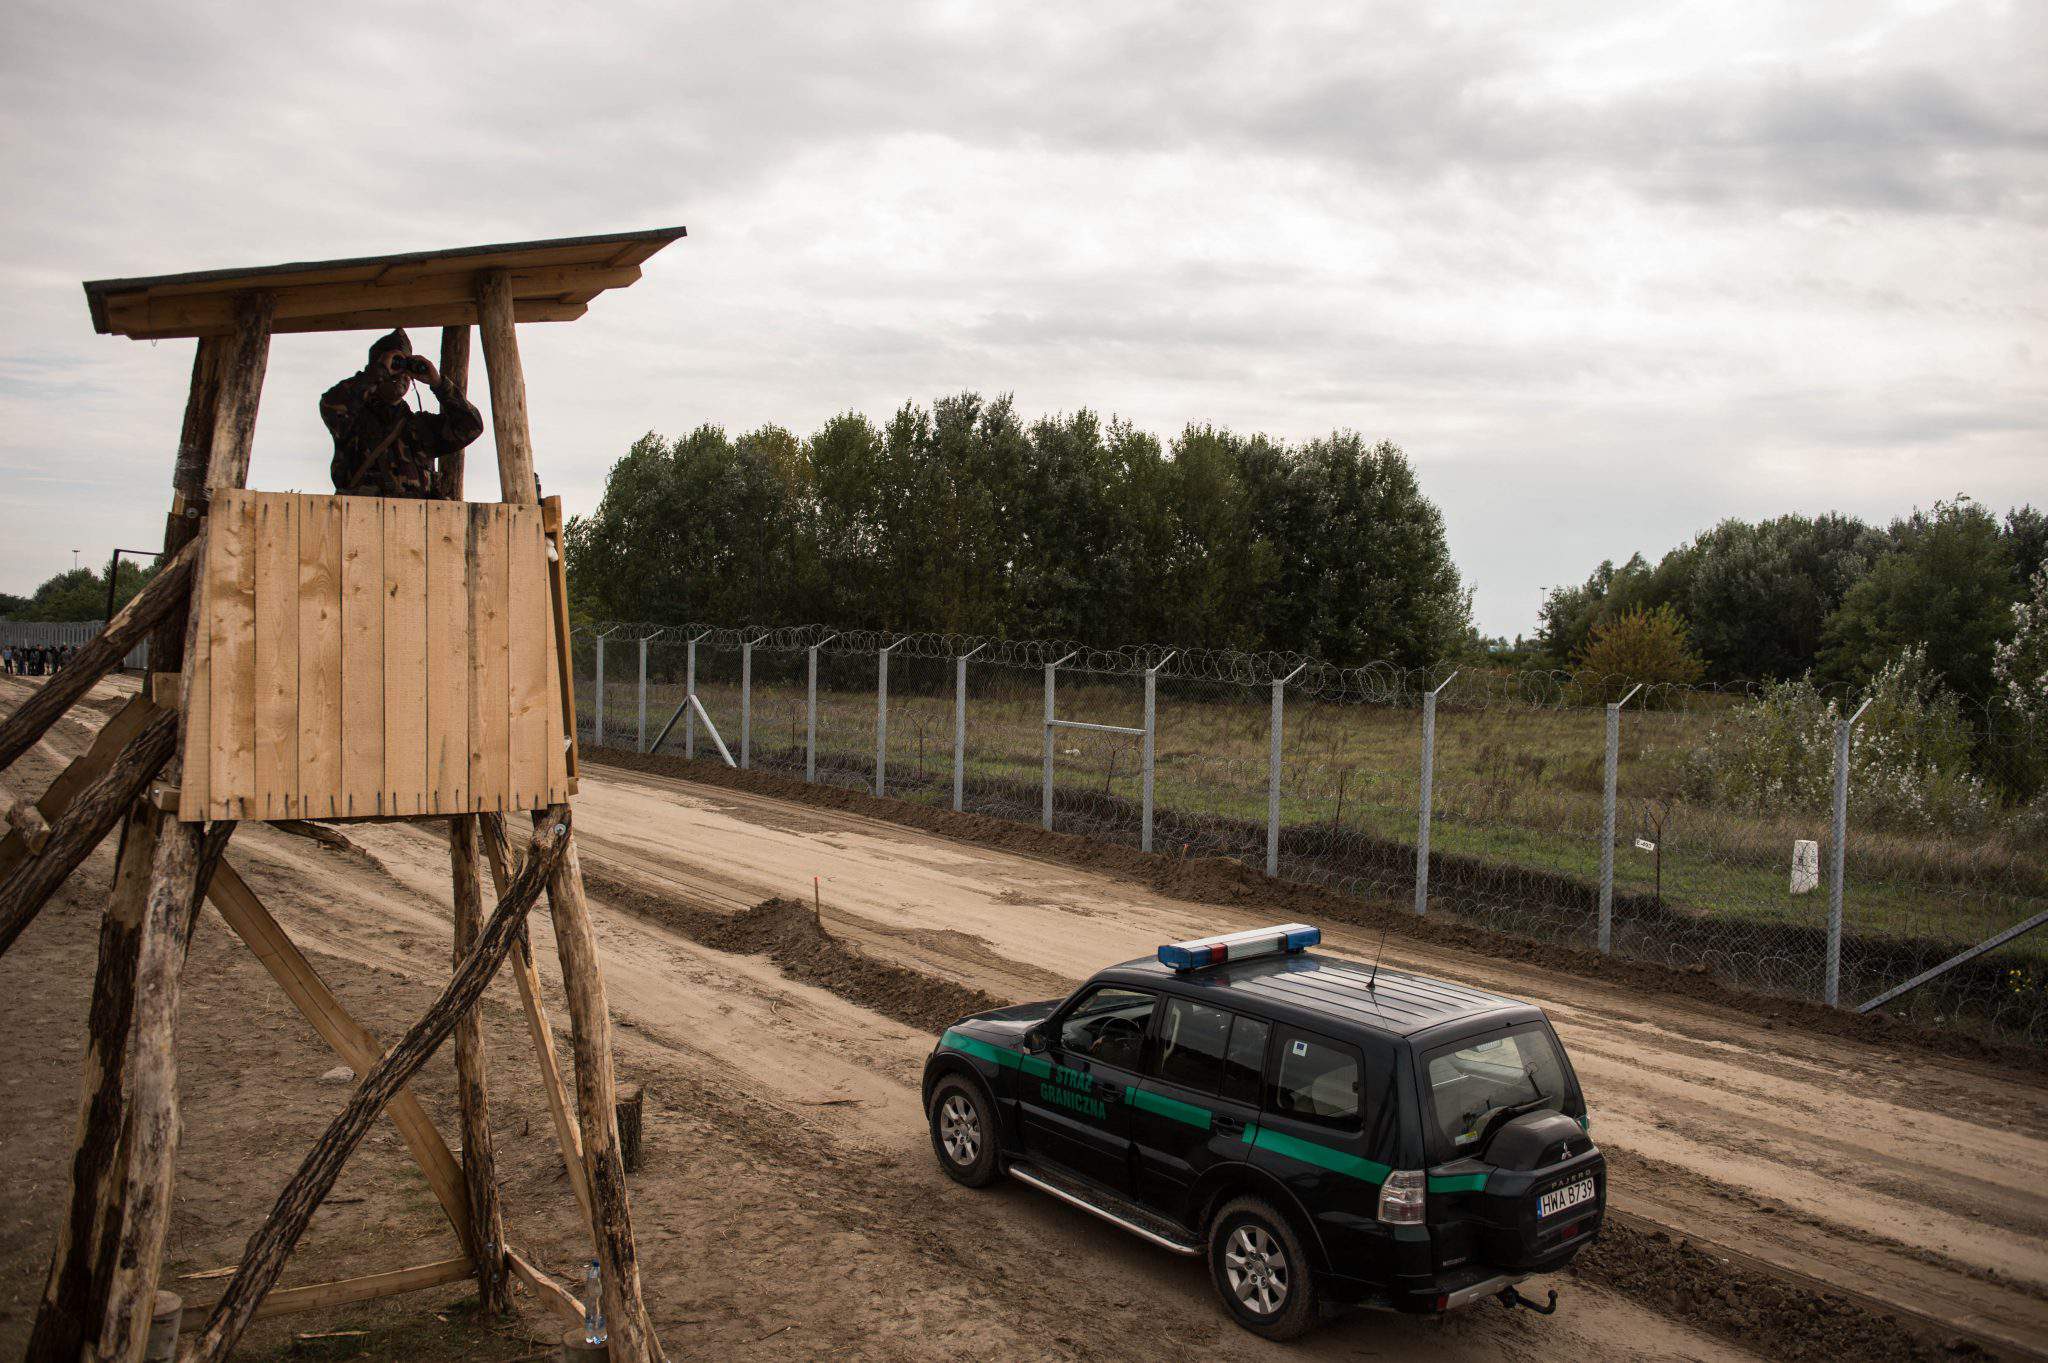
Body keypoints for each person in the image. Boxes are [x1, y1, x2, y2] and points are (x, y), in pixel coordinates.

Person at [321, 328, 484, 499]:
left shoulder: (420, 427)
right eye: (396, 366)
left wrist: (439, 384)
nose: (402, 376)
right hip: (361, 520)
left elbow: (471, 426)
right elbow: (331, 405)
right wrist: (378, 373)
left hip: (416, 522)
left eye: (406, 370)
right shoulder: (352, 421)